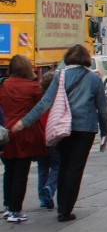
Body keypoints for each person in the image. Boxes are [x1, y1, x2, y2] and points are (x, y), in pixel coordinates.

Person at [11, 44, 107, 222]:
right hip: (86, 129)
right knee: (75, 168)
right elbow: (102, 109)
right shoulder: (94, 79)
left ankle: (61, 207)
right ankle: (65, 209)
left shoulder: (60, 76)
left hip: (63, 129)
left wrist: (24, 122)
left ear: (68, 57)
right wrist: (105, 132)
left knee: (63, 165)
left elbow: (44, 103)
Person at [1, 55, 47, 223]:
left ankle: (7, 206)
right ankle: (15, 210)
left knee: (9, 171)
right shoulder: (33, 87)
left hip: (6, 133)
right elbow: (40, 108)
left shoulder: (4, 85)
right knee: (21, 172)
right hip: (25, 133)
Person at [35, 70, 59, 207]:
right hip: (54, 139)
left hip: (40, 139)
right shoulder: (57, 101)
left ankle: (42, 199)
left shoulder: (39, 100)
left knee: (42, 169)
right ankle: (49, 189)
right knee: (57, 166)